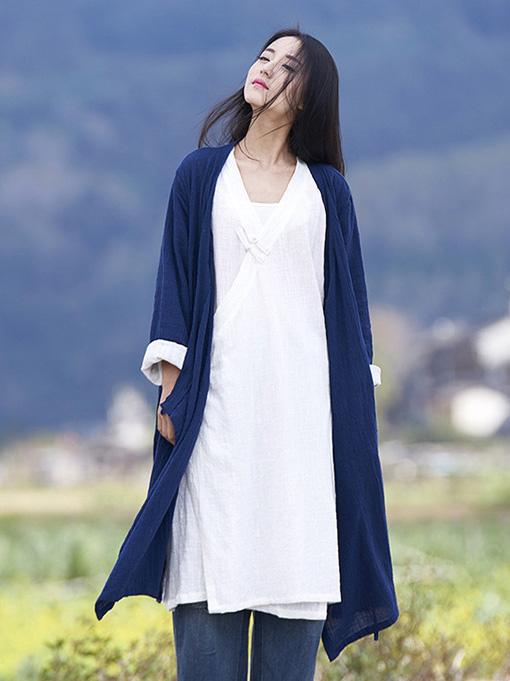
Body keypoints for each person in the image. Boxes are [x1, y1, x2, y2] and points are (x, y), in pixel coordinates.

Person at [140, 28, 383, 681]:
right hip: (214, 430)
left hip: (302, 440)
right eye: (265, 55)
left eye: (288, 67)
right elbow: (174, 289)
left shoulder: (327, 192)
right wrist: (170, 394)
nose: (267, 68)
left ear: (310, 97)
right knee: (205, 608)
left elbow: (351, 315)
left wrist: (354, 425)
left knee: (292, 617)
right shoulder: (199, 176)